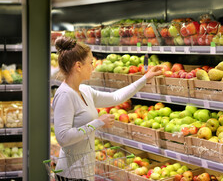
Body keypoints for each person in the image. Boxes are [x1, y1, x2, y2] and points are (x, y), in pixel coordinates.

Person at [52, 37, 162, 181]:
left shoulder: (85, 90)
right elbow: (63, 138)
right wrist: (98, 122)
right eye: (90, 63)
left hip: (85, 172)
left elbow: (116, 97)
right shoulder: (65, 95)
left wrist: (144, 78)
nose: (93, 67)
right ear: (78, 66)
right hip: (70, 175)